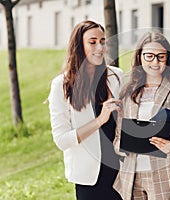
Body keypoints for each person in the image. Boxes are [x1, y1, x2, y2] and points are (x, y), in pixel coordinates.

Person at [112, 31, 170, 200]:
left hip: (165, 174)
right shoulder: (128, 90)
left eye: (161, 56)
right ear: (139, 57)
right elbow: (118, 133)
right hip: (132, 175)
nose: (155, 62)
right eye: (149, 56)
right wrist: (121, 147)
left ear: (168, 58)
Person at [48, 20, 123, 199]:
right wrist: (100, 120)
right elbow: (62, 140)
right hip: (89, 178)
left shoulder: (116, 76)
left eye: (102, 41)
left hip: (121, 173)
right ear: (79, 46)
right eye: (92, 42)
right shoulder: (61, 85)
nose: (100, 47)